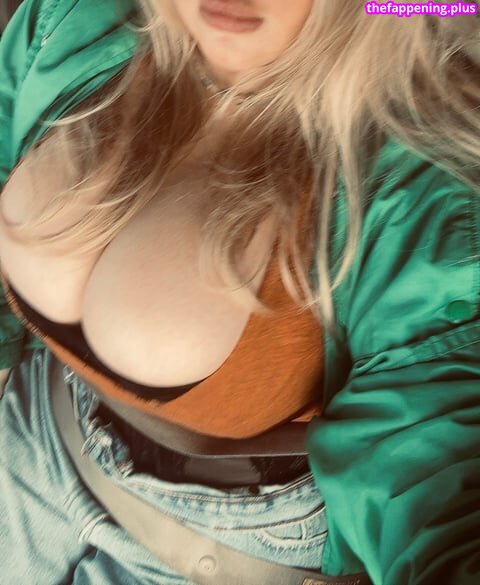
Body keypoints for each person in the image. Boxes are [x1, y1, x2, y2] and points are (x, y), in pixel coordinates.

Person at [0, 0, 478, 584]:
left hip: (229, 547)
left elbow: (431, 477)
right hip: (34, 423)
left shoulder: (422, 197)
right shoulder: (75, 17)